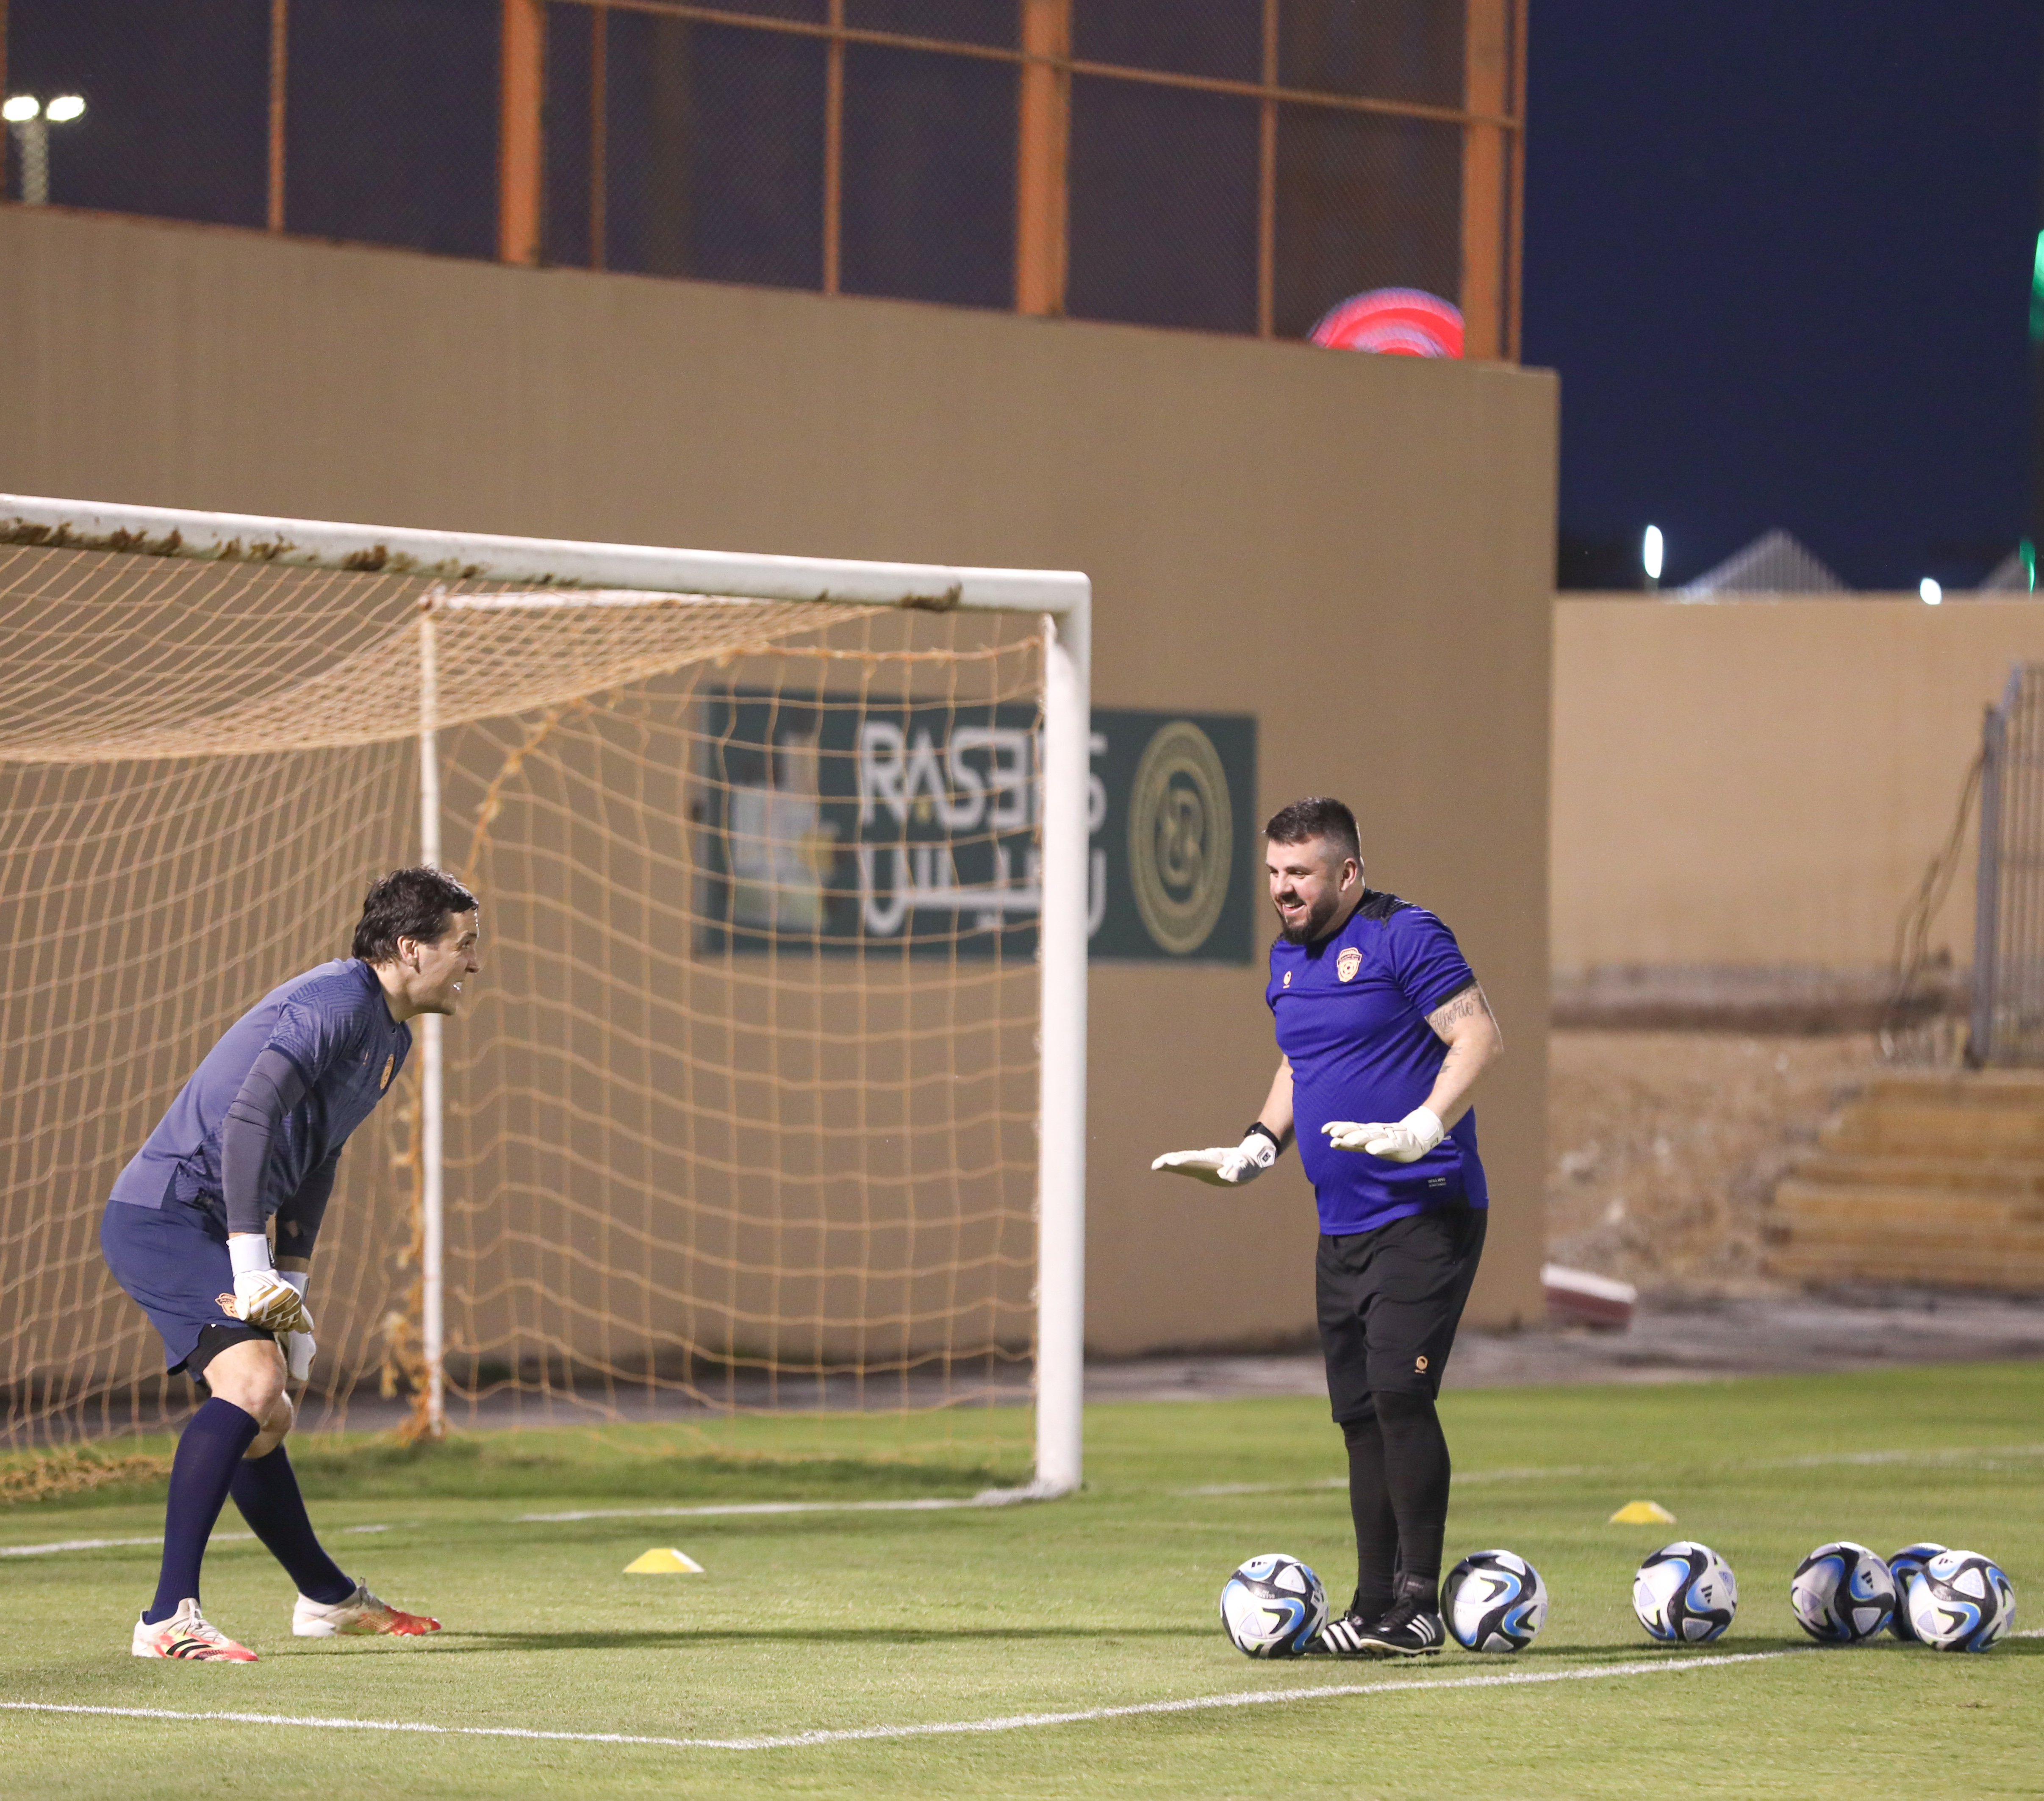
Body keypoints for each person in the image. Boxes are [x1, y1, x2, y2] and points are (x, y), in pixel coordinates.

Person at [102, 866, 481, 1662]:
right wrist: (249, 1262)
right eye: (464, 945)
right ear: (411, 949)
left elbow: (318, 1159)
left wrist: (294, 1285)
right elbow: (250, 1115)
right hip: (166, 1216)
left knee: (268, 1415)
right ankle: (167, 1616)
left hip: (211, 1225)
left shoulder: (391, 1037)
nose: (473, 963)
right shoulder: (338, 1001)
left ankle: (327, 1597)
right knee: (251, 1385)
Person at [1153, 796, 1502, 1656]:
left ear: (1349, 870)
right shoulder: (1285, 960)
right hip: (1340, 1223)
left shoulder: (1405, 935)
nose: (1283, 889)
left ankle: (1418, 1604)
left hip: (1427, 1207)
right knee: (1356, 1415)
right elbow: (1299, 1062)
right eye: (1273, 873)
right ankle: (1373, 1600)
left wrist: (1424, 1124)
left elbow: (1478, 1034)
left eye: (1300, 873)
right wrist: (1254, 1146)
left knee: (1399, 1391)